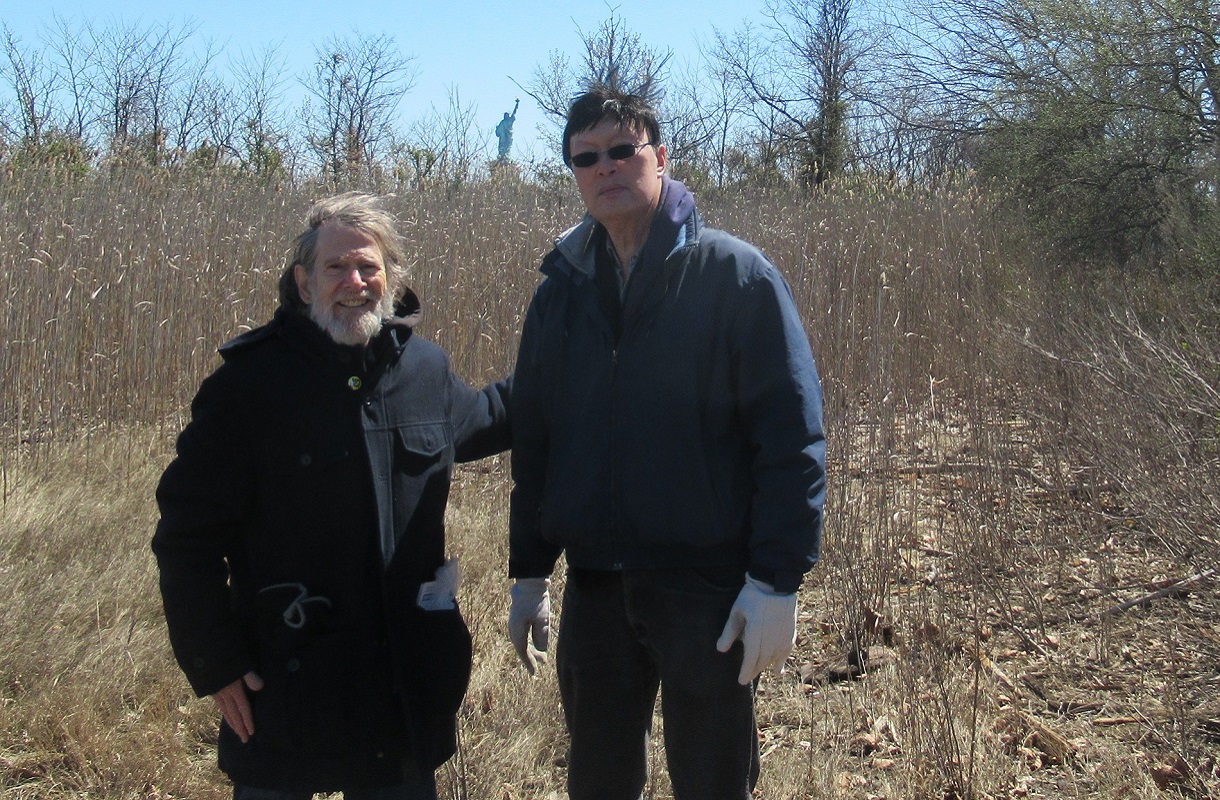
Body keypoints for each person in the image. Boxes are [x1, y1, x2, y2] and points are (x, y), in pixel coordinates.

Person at [506, 83, 826, 799]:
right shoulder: (561, 288)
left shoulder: (735, 275)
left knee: (713, 783)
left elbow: (791, 435)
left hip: (704, 589)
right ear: (573, 173)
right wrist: (530, 572)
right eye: (586, 157)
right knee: (598, 781)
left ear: (661, 157)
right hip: (594, 586)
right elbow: (536, 436)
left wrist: (776, 579)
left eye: (624, 150)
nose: (607, 167)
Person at [152, 192, 510, 800]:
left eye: (369, 267)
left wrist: (582, 365)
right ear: (302, 280)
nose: (355, 281)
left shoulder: (423, 371)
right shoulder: (246, 385)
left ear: (392, 278)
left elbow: (489, 417)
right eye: (336, 267)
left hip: (398, 687)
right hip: (285, 683)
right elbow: (186, 537)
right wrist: (213, 662)